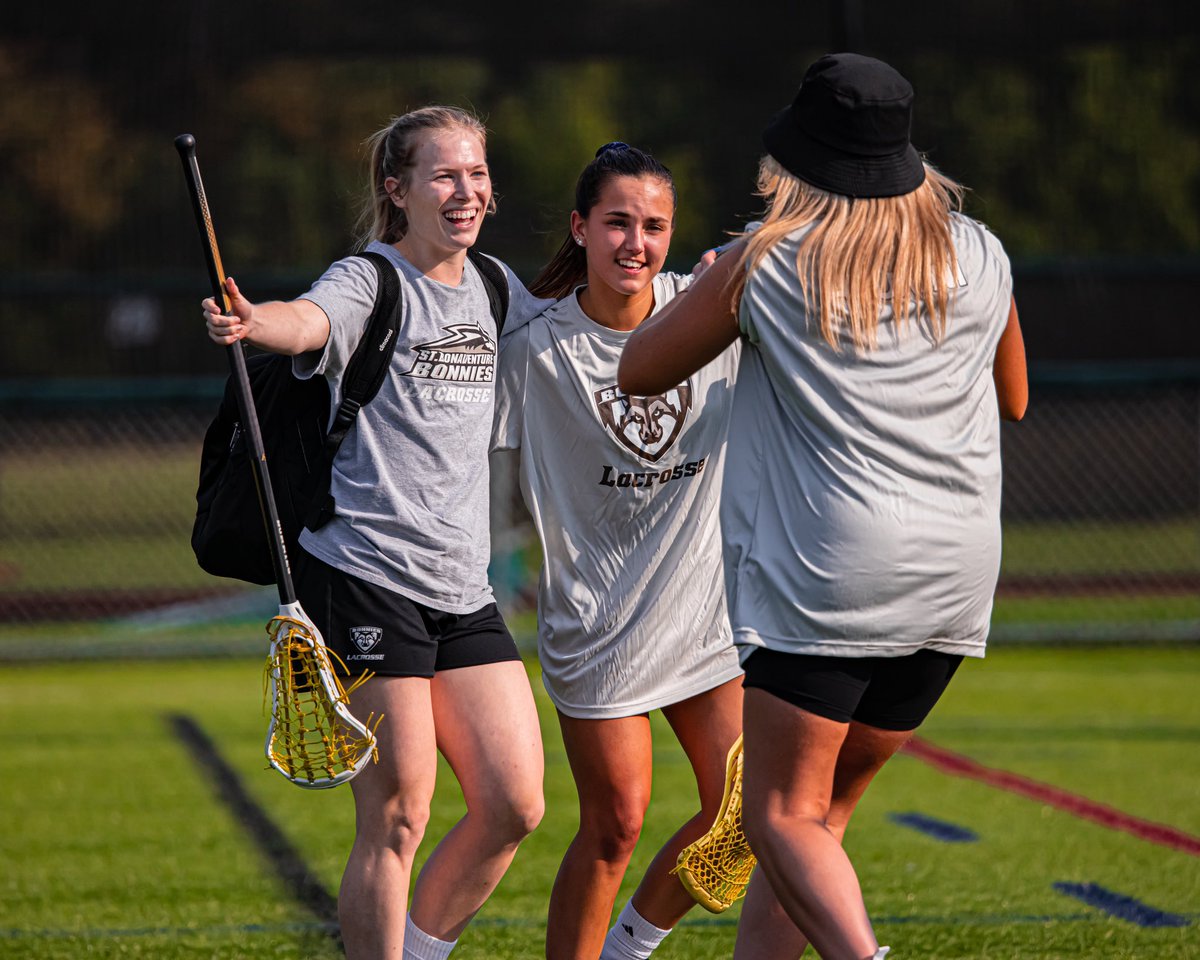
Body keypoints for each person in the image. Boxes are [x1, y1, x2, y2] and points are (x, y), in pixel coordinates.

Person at [618, 53, 1028, 960]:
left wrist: (718, 279)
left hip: (832, 576)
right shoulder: (980, 251)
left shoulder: (764, 262)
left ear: (798, 162)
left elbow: (639, 369)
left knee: (778, 814)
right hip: (958, 573)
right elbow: (1015, 398)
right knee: (818, 821)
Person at [201, 105, 548, 960]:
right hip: (363, 575)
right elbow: (307, 320)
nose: (466, 192)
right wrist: (255, 320)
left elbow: (577, 336)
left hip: (463, 587)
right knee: (399, 814)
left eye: (476, 174)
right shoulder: (369, 281)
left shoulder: (496, 285)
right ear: (398, 190)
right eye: (444, 175)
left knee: (514, 803)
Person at [491, 142, 757, 960]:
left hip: (703, 616)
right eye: (616, 223)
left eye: (654, 226)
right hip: (597, 625)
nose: (635, 243)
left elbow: (807, 264)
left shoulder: (711, 307)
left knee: (748, 812)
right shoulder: (531, 348)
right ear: (580, 228)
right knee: (615, 826)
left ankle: (628, 949)